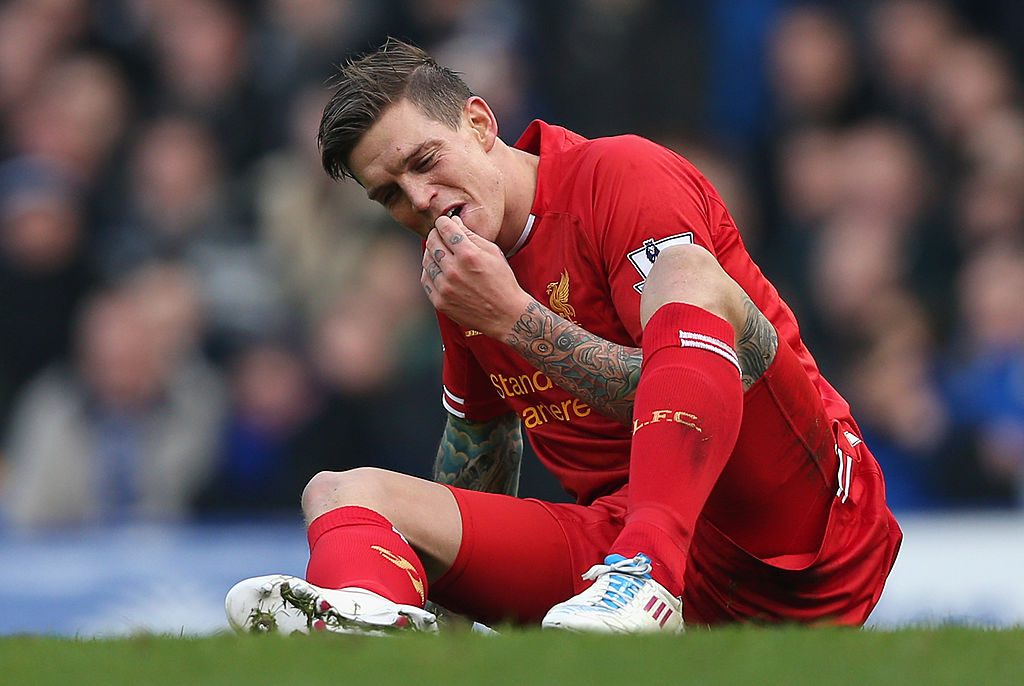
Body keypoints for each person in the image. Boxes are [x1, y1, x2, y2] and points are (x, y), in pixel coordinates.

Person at [225, 38, 902, 634]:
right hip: (622, 562)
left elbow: (684, 380)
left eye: (425, 160)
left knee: (687, 273)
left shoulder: (621, 177)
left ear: (480, 122)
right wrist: (454, 595)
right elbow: (478, 461)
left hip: (788, 522)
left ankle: (646, 571)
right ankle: (379, 623)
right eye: (391, 193)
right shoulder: (462, 272)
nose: (420, 198)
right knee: (338, 493)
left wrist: (514, 318)